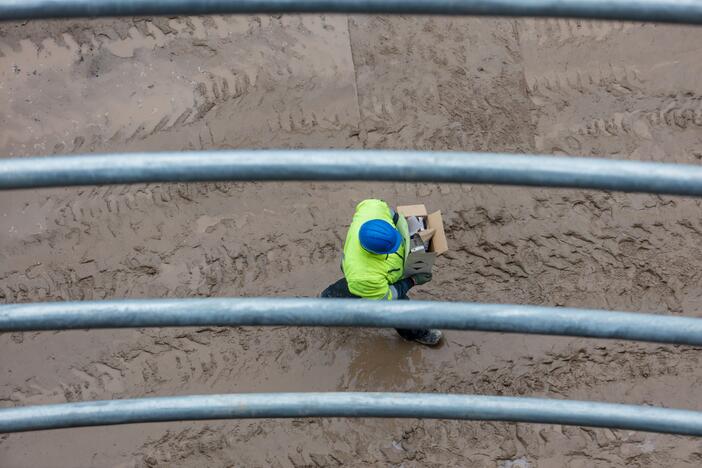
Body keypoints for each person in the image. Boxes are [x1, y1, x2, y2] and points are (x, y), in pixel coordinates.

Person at [321, 199, 443, 346]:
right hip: (363, 277)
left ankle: (327, 300)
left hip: (358, 273)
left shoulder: (373, 208)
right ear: (375, 253)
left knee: (348, 288)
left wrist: (400, 221)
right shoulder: (365, 276)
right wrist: (412, 281)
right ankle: (418, 333)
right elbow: (386, 297)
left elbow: (390, 213)